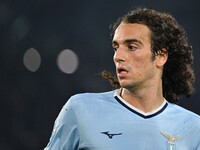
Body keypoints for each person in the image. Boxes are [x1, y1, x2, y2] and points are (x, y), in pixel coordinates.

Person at [44, 8, 200, 150]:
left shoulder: (193, 127)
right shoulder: (79, 109)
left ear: (160, 56)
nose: (117, 56)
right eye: (116, 47)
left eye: (131, 47)